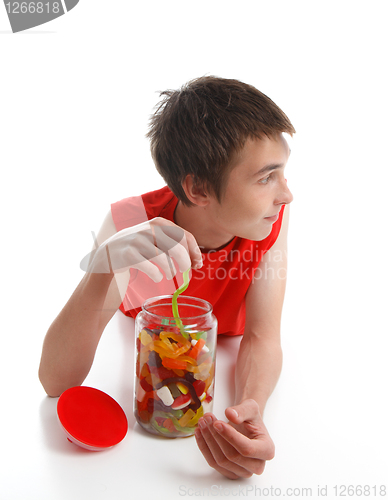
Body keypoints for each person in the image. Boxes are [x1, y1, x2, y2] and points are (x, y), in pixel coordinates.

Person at [39, 76, 295, 479]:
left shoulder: (268, 219)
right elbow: (55, 381)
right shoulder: (133, 224)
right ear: (197, 188)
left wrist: (251, 408)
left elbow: (263, 336)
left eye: (282, 173)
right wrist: (101, 268)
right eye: (265, 178)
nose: (286, 194)